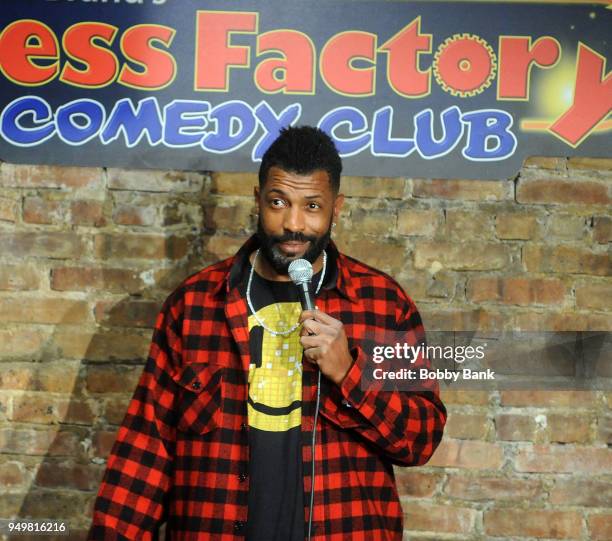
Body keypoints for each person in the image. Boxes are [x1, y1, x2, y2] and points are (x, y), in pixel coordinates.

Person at [88, 126, 446, 540]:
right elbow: (145, 451)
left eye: (312, 206)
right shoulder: (194, 305)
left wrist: (349, 372)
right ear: (257, 199)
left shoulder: (382, 304)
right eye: (279, 202)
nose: (293, 224)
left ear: (337, 208)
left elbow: (420, 440)